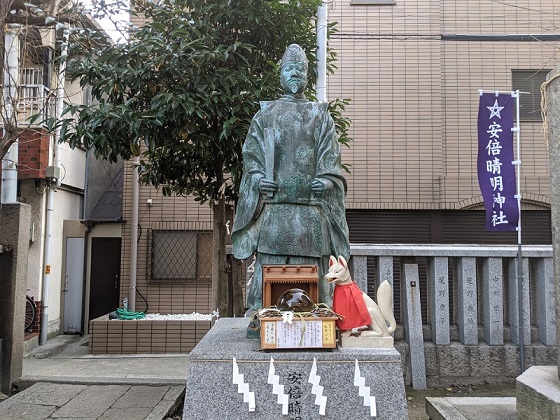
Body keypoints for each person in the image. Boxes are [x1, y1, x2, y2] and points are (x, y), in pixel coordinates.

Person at [232, 44, 350, 311]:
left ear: (307, 75)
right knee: (270, 264)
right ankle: (262, 315)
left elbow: (331, 159)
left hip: (311, 214)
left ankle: (316, 314)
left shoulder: (320, 116)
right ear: (280, 75)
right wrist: (258, 179)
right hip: (274, 212)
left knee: (313, 270)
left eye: (300, 69)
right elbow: (252, 157)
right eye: (289, 69)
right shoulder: (265, 114)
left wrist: (328, 181)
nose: (294, 73)